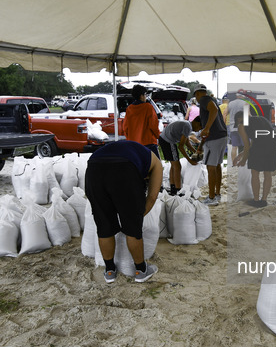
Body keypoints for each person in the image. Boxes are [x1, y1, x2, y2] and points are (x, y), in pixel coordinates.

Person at [85, 140, 163, 283]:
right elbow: (151, 197)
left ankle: (109, 271)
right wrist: (133, 217)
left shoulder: (135, 151)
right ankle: (141, 270)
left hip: (94, 169)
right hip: (123, 170)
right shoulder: (157, 163)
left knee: (104, 224)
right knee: (133, 228)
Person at [233, 111, 276, 207]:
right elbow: (255, 140)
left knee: (255, 172)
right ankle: (264, 200)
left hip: (260, 146)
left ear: (238, 119)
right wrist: (241, 155)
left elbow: (247, 145)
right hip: (273, 145)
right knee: (267, 173)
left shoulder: (241, 125)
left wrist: (243, 161)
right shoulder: (261, 119)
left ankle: (256, 200)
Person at [194, 84, 228, 206]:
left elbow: (213, 110)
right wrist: (200, 146)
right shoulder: (212, 99)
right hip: (222, 136)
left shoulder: (204, 100)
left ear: (197, 94)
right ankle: (217, 194)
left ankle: (212, 197)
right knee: (217, 165)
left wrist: (207, 128)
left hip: (213, 138)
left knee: (211, 167)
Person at [158, 119, 201, 195]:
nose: (198, 130)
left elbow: (187, 143)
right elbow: (181, 146)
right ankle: (178, 191)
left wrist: (196, 152)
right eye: (200, 127)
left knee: (174, 165)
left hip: (164, 138)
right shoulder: (187, 126)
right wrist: (189, 160)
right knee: (177, 166)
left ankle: (173, 188)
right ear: (196, 122)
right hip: (168, 140)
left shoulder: (187, 125)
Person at [122, 85, 160, 157]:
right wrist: (158, 136)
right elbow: (153, 125)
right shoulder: (148, 107)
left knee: (139, 166)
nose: (146, 97)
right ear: (141, 95)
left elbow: (125, 127)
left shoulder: (129, 109)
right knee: (155, 166)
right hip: (149, 143)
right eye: (145, 94)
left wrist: (129, 139)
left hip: (134, 144)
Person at [225, 93, 246, 162]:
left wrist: (223, 124)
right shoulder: (245, 103)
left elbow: (224, 114)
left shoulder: (230, 104)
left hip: (233, 128)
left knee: (234, 146)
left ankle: (234, 162)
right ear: (242, 96)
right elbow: (247, 115)